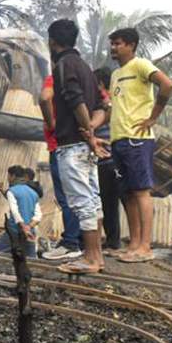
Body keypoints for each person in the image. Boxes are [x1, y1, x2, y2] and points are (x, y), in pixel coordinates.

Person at [108, 28, 172, 263]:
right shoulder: (116, 74)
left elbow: (167, 85)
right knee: (126, 193)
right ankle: (134, 244)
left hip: (137, 138)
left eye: (117, 43)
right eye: (112, 44)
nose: (113, 48)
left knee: (141, 191)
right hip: (118, 139)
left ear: (131, 45)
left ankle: (146, 246)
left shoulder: (141, 65)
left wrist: (153, 117)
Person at [47, 19, 107, 274]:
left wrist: (88, 132)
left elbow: (74, 99)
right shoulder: (85, 68)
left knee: (83, 203)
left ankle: (91, 259)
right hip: (83, 145)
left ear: (52, 41)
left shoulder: (64, 65)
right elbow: (104, 107)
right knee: (93, 200)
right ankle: (98, 257)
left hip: (72, 146)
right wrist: (91, 129)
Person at [39, 70, 83, 261]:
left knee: (67, 198)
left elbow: (45, 98)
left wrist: (52, 124)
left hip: (61, 147)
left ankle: (71, 242)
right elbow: (106, 105)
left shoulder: (57, 78)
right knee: (82, 197)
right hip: (79, 146)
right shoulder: (86, 78)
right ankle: (79, 241)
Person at [92, 67, 124, 253]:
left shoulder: (107, 103)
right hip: (113, 158)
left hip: (107, 158)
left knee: (109, 201)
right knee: (112, 201)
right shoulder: (115, 101)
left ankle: (113, 241)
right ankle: (113, 240)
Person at [0, 165, 42, 258]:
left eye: (8, 176)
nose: (8, 178)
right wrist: (28, 227)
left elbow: (15, 212)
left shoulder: (12, 191)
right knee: (31, 258)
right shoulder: (33, 193)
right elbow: (38, 215)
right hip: (30, 232)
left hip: (14, 230)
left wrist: (23, 227)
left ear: (12, 176)